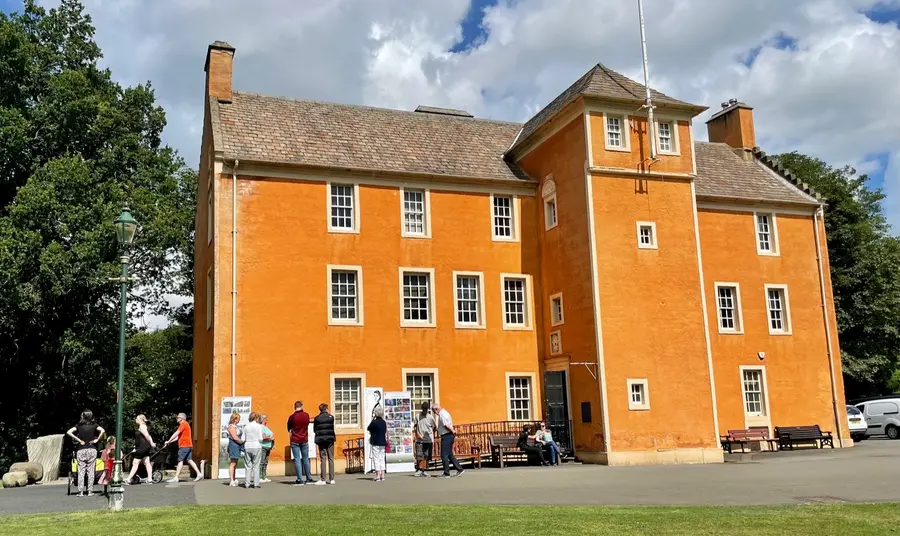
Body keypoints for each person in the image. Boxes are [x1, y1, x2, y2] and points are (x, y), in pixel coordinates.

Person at [66, 409, 105, 497]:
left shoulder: (79, 426)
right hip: (92, 449)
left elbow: (69, 432)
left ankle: (80, 491)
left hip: (81, 449)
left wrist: (78, 440)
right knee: (91, 470)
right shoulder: (94, 425)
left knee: (81, 470)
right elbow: (102, 430)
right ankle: (90, 491)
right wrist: (97, 440)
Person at [163, 413, 203, 482]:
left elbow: (176, 433)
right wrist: (169, 442)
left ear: (181, 418)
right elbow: (178, 437)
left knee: (180, 460)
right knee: (189, 460)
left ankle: (176, 477)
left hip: (184, 446)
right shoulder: (185, 424)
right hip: (188, 445)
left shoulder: (183, 424)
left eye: (178, 417)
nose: (177, 418)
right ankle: (199, 474)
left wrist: (169, 440)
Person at [432, 403, 464, 478]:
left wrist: (452, 430)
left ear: (436, 409)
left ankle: (446, 473)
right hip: (448, 435)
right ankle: (460, 469)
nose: (434, 413)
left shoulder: (442, 414)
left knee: (444, 455)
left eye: (434, 411)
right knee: (449, 454)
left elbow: (446, 425)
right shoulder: (445, 413)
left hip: (447, 435)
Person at [287, 400, 314, 485]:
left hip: (295, 439)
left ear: (294, 407)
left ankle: (299, 479)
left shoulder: (292, 417)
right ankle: (308, 478)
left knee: (297, 459)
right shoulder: (306, 415)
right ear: (302, 406)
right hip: (304, 438)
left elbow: (288, 428)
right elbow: (307, 424)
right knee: (306, 459)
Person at [125, 414, 156, 484]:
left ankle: (128, 479)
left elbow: (147, 436)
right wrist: (151, 443)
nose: (136, 420)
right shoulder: (144, 426)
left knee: (135, 463)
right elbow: (148, 435)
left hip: (142, 447)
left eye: (137, 418)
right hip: (145, 447)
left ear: (140, 420)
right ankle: (149, 479)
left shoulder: (142, 426)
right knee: (147, 462)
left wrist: (152, 443)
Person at [313, 403, 336, 485]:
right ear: (326, 409)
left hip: (321, 439)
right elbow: (332, 427)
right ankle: (332, 479)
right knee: (331, 458)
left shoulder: (317, 418)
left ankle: (323, 479)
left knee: (323, 458)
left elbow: (314, 429)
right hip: (330, 439)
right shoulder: (331, 417)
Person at [413, 401, 436, 477]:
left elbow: (434, 427)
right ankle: (419, 469)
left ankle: (425, 470)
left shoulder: (430, 417)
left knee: (426, 455)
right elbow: (415, 426)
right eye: (424, 409)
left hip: (428, 439)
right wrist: (417, 434)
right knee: (419, 455)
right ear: (422, 408)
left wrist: (431, 434)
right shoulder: (417, 416)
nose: (425, 410)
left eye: (426, 409)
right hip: (420, 439)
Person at [242, 412, 263, 489]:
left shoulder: (245, 426)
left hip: (247, 446)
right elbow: (260, 438)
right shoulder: (258, 426)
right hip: (256, 446)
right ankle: (256, 483)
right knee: (256, 465)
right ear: (256, 418)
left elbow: (243, 439)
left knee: (248, 466)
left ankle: (247, 483)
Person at [367, 406, 388, 482]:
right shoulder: (384, 422)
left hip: (375, 441)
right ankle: (382, 474)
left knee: (376, 458)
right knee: (382, 458)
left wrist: (373, 419)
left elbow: (368, 428)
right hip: (382, 441)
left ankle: (377, 475)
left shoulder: (374, 422)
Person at [226, 412, 244, 487]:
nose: (239, 420)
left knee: (235, 463)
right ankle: (231, 480)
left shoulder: (235, 426)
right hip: (234, 445)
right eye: (238, 419)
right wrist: (242, 442)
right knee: (233, 463)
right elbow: (235, 437)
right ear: (234, 419)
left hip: (237, 445)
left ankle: (234, 478)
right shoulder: (231, 427)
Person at [259, 414, 275, 483]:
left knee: (265, 462)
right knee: (261, 462)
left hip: (268, 446)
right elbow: (263, 437)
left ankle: (264, 476)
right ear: (263, 420)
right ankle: (259, 477)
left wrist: (273, 443)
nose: (267, 420)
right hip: (263, 446)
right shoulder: (261, 427)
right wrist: (270, 438)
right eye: (266, 419)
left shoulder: (266, 427)